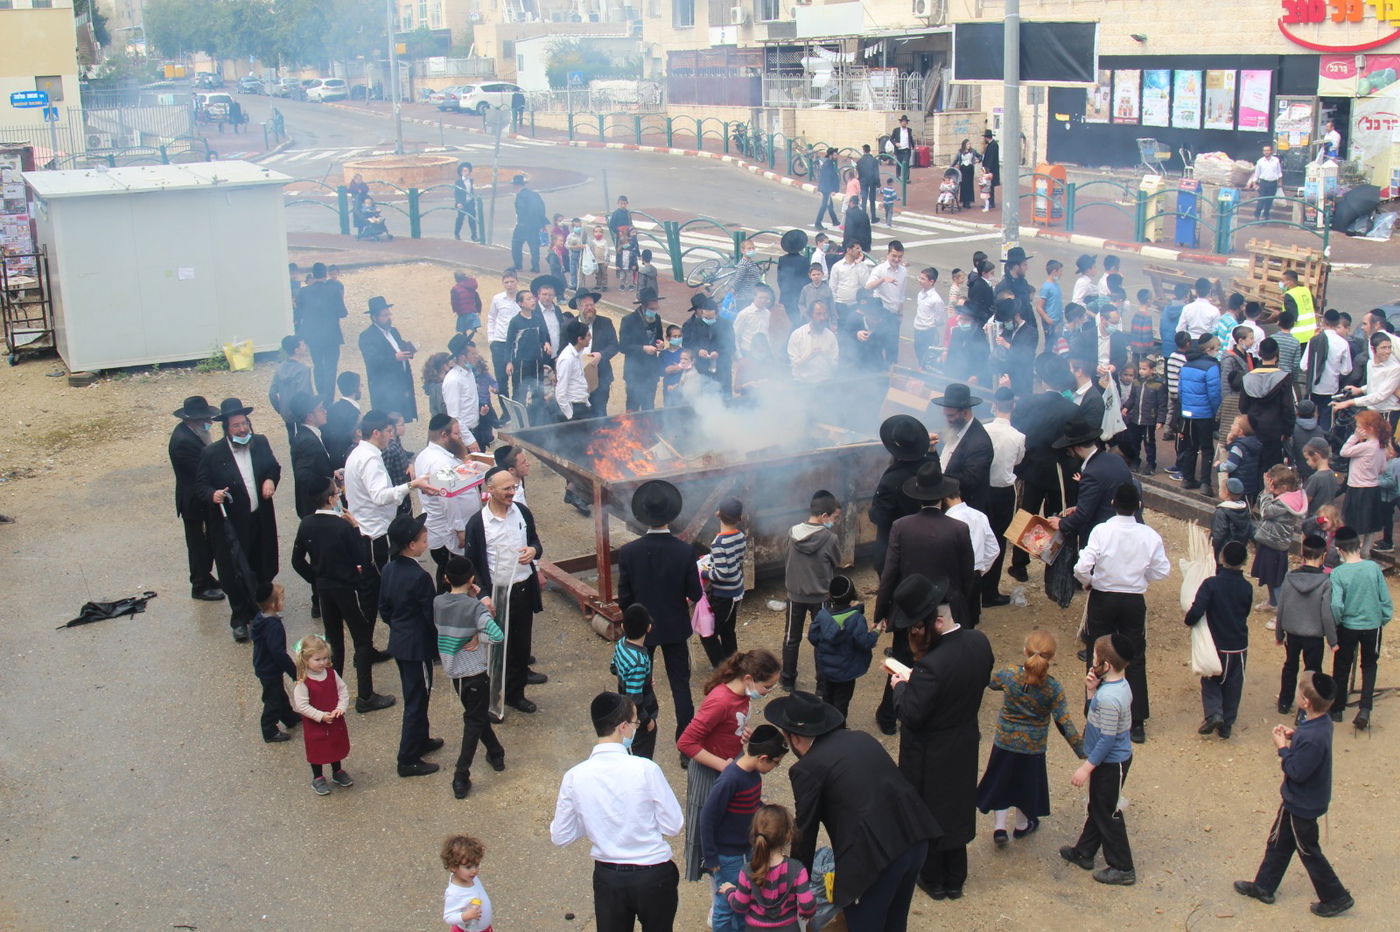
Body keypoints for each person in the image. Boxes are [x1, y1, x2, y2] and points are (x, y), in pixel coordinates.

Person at [765, 690, 938, 932]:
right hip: (914, 838)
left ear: (794, 737)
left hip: (874, 862)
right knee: (895, 922)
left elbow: (805, 832)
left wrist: (797, 883)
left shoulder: (807, 769)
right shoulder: (860, 737)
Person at [887, 574, 995, 900]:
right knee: (957, 808)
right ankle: (956, 878)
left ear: (934, 622)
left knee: (929, 813)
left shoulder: (931, 666)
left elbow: (911, 713)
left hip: (929, 752)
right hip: (964, 740)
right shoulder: (979, 643)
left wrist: (901, 686)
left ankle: (933, 878)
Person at [550, 692, 684, 932]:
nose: (636, 728)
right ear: (623, 727)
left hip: (609, 878)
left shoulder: (574, 777)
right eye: (635, 722)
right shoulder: (646, 769)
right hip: (653, 874)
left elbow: (561, 835)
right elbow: (673, 825)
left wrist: (591, 819)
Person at [1233, 671, 1354, 918]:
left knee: (1309, 851)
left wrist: (1282, 749)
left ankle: (1336, 896)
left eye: (1300, 694)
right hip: (1296, 801)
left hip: (1303, 805)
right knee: (1278, 841)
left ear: (1306, 702)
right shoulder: (1320, 724)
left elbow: (1296, 771)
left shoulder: (1311, 736)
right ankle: (1264, 886)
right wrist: (1294, 735)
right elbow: (1308, 742)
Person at [1072, 482, 1167, 744]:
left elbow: (1082, 567)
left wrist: (1088, 580)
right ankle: (1136, 721)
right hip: (1133, 599)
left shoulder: (1102, 531)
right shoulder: (1149, 535)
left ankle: (1094, 712)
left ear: (1113, 503)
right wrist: (1141, 575)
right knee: (1134, 656)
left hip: (1103, 597)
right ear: (1138, 506)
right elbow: (1162, 571)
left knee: (1097, 653)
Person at [679, 649, 781, 891]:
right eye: (767, 687)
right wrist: (722, 765)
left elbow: (731, 725)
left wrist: (744, 734)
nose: (767, 692)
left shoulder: (741, 696)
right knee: (713, 827)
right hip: (711, 772)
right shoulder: (720, 701)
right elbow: (686, 742)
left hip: (727, 766)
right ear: (748, 679)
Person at [291, 477, 393, 714]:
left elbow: (297, 561)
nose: (339, 496)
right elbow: (362, 558)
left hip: (325, 589)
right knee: (362, 639)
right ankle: (366, 695)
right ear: (330, 498)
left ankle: (331, 691)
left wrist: (315, 580)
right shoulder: (342, 526)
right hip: (348, 589)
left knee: (334, 639)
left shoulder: (306, 524)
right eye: (337, 493)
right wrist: (356, 527)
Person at [976, 629, 1085, 845]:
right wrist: (1081, 749)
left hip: (1005, 742)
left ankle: (999, 827)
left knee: (1001, 781)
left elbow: (989, 682)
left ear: (1025, 650)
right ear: (1052, 657)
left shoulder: (1009, 674)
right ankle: (1021, 825)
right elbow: (1063, 721)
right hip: (1033, 747)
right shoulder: (1053, 688)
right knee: (1026, 786)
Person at [617, 480, 703, 739]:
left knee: (638, 682)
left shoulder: (629, 552)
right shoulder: (684, 551)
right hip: (675, 626)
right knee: (680, 684)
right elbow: (696, 593)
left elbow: (625, 597)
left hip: (641, 629)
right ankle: (685, 741)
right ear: (672, 514)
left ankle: (639, 730)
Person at [195, 398, 281, 642]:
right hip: (232, 525)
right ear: (226, 429)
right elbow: (201, 485)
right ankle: (240, 618)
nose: (242, 429)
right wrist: (213, 495)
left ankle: (262, 610)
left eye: (244, 424)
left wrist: (270, 480)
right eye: (236, 426)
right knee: (235, 571)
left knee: (262, 564)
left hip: (260, 518)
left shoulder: (260, 442)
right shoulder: (212, 453)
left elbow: (273, 467)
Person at [463, 467, 545, 715]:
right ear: (490, 490)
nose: (512, 492)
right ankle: (493, 700)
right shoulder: (478, 524)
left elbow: (535, 542)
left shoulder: (522, 513)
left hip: (522, 589)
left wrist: (533, 551)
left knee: (521, 647)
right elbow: (472, 564)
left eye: (514, 487)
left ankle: (515, 694)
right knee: (497, 649)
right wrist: (483, 595)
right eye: (507, 488)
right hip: (497, 595)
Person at [344, 409, 435, 630]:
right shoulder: (369, 459)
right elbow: (380, 496)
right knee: (377, 591)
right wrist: (412, 485)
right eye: (387, 431)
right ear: (376, 433)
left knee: (373, 591)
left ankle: (366, 644)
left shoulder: (359, 453)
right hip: (375, 535)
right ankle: (372, 644)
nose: (391, 436)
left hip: (369, 529)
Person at [1060, 633, 1137, 886]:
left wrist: (1086, 767)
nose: (1092, 661)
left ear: (1107, 665)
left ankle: (1122, 866)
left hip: (1110, 763)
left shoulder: (1110, 698)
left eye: (1095, 657)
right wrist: (1091, 691)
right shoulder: (1113, 688)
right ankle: (1084, 851)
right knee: (1099, 807)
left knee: (1107, 812)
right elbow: (1095, 716)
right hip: (1106, 761)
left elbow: (1107, 739)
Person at [701, 729, 790, 932]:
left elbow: (751, 804)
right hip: (728, 857)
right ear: (763, 758)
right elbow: (707, 817)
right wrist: (711, 858)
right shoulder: (730, 780)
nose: (776, 767)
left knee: (744, 901)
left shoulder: (753, 775)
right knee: (725, 906)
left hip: (746, 850)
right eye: (776, 763)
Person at [434, 555, 506, 799]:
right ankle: (461, 774)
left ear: (445, 578)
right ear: (472, 579)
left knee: (475, 716)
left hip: (454, 673)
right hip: (475, 672)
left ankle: (496, 752)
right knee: (474, 721)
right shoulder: (476, 608)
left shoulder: (438, 603)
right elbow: (497, 636)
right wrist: (478, 636)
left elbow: (453, 620)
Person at [380, 513, 445, 778]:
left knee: (417, 694)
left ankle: (421, 739)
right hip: (417, 647)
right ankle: (407, 758)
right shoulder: (420, 577)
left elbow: (384, 609)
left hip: (400, 641)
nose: (426, 538)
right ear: (411, 545)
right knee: (417, 699)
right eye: (422, 537)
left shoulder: (388, 569)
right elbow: (431, 617)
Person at [1008, 354, 1079, 582]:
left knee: (1025, 513)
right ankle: (1055, 561)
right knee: (1056, 516)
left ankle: (1019, 563)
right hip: (1058, 470)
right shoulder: (1071, 410)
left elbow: (1018, 431)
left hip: (1031, 467)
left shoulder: (1028, 403)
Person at [1185, 540, 1254, 739]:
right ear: (1245, 561)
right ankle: (1227, 725)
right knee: (1234, 684)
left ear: (1221, 559)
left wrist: (1189, 621)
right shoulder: (1246, 588)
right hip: (1238, 645)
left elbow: (1197, 610)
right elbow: (1246, 611)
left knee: (1210, 679)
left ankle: (1214, 713)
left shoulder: (1211, 584)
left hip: (1214, 643)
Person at [1329, 526, 1392, 729]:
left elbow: (1336, 604)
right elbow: (1385, 598)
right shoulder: (1373, 568)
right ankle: (1365, 708)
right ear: (1358, 546)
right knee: (1370, 665)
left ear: (1339, 550)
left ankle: (1337, 709)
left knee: (1342, 665)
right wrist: (1382, 618)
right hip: (1372, 626)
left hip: (1348, 626)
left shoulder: (1338, 573)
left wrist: (1337, 621)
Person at [717, 804, 817, 930]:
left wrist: (730, 891)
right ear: (788, 835)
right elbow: (807, 904)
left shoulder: (748, 870)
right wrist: (808, 913)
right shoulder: (797, 870)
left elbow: (740, 906)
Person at [783, 489, 842, 691]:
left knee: (792, 639)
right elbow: (837, 562)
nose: (835, 521)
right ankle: (822, 685)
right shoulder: (830, 538)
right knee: (822, 640)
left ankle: (788, 679)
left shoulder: (792, 533)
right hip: (821, 597)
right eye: (835, 517)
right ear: (824, 515)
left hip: (794, 595)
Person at [413, 414, 479, 588]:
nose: (461, 439)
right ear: (444, 435)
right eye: (457, 434)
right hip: (448, 534)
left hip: (446, 528)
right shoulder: (439, 462)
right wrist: (459, 530)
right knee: (452, 578)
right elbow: (448, 499)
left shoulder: (428, 455)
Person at [169, 395, 224, 603]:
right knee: (199, 545)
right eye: (205, 419)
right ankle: (199, 585)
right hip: (194, 503)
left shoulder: (194, 433)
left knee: (206, 543)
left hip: (199, 499)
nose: (209, 423)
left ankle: (205, 577)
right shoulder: (183, 443)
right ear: (193, 420)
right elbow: (201, 472)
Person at [1275, 535, 1337, 714]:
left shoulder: (1289, 577)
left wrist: (1279, 634)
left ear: (1302, 554)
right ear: (1323, 556)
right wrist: (1333, 641)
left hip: (1292, 633)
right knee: (1313, 670)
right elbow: (1326, 614)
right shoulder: (1325, 582)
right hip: (1314, 636)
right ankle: (1308, 705)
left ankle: (1284, 702)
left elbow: (1282, 607)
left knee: (1290, 666)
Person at [1052, 416, 1135, 546]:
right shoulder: (1115, 459)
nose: (1069, 453)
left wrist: (1062, 523)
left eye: (1069, 449)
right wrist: (1080, 506)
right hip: (1126, 526)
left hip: (1105, 533)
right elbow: (1107, 494)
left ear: (1077, 448)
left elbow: (1084, 515)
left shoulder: (1091, 473)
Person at [806, 575, 878, 720]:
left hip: (826, 670)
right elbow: (864, 642)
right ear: (852, 595)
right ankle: (838, 733)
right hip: (846, 673)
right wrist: (876, 632)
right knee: (841, 704)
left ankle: (825, 729)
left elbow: (813, 637)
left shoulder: (822, 616)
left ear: (830, 596)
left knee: (827, 699)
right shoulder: (856, 618)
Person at [290, 634, 352, 796]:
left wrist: (341, 707)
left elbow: (342, 690)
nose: (323, 662)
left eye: (325, 658)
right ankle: (317, 777)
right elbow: (301, 705)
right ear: (306, 660)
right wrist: (320, 715)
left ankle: (337, 771)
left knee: (335, 744)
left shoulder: (331, 673)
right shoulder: (303, 682)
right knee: (317, 749)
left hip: (334, 719)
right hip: (316, 724)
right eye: (318, 660)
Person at [249, 582, 299, 743]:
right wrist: (294, 672)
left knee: (279, 694)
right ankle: (269, 729)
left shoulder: (261, 619)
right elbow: (278, 653)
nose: (284, 601)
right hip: (269, 668)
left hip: (264, 666)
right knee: (273, 699)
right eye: (282, 598)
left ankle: (289, 717)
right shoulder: (272, 626)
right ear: (272, 604)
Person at [1253, 464, 1308, 610]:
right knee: (1270, 577)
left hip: (1275, 545)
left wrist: (1266, 491)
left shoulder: (1285, 502)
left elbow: (1265, 511)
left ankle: (1282, 612)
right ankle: (1272, 602)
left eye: (1274, 485)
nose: (1271, 488)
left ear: (1284, 487)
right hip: (1270, 541)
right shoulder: (1283, 496)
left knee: (1276, 580)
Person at [933, 382, 994, 514]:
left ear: (965, 413)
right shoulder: (955, 429)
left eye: (951, 416)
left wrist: (936, 476)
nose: (947, 419)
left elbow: (970, 480)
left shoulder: (979, 443)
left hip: (965, 512)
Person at [701, 498, 747, 666]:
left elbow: (721, 574)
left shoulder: (718, 543)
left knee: (709, 634)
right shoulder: (741, 536)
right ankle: (735, 664)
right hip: (736, 591)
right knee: (728, 630)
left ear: (717, 514)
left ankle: (722, 669)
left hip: (723, 595)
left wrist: (704, 571)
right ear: (739, 518)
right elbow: (738, 560)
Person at [612, 604, 661, 762]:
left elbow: (614, 667)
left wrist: (643, 679)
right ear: (648, 628)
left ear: (622, 626)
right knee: (642, 755)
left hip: (623, 702)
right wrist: (647, 721)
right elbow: (635, 699)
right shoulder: (638, 661)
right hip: (638, 716)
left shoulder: (621, 644)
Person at [357, 296, 418, 423]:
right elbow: (372, 360)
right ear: (374, 318)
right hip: (385, 388)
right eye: (384, 315)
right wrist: (394, 357)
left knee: (400, 422)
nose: (388, 318)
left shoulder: (393, 331)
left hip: (401, 384)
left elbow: (399, 346)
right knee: (388, 423)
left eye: (388, 314)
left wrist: (408, 349)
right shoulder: (367, 336)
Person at [1240, 337, 1296, 474]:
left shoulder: (1247, 378)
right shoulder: (1284, 377)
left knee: (1254, 466)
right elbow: (1288, 407)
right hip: (1275, 430)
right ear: (1277, 355)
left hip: (1253, 428)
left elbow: (1243, 406)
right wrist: (1287, 431)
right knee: (1272, 469)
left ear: (1259, 354)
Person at [1174, 335, 1222, 491]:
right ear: (1209, 349)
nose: (1218, 351)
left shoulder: (1187, 365)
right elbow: (1214, 394)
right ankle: (1205, 483)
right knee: (1207, 448)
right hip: (1205, 414)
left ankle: (1187, 479)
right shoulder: (1212, 367)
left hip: (1188, 413)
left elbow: (1180, 391)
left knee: (1190, 446)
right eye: (1217, 348)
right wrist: (1216, 413)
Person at [295, 262, 349, 403]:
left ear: (312, 274)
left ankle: (320, 394)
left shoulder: (304, 292)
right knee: (331, 368)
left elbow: (299, 312)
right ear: (325, 274)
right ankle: (328, 399)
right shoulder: (333, 290)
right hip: (331, 335)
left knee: (318, 365)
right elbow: (343, 312)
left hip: (313, 336)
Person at [1339, 410, 1390, 555]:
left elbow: (1344, 451)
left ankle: (1352, 553)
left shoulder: (1366, 446)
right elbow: (1383, 468)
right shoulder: (1381, 446)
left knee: (1353, 523)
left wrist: (1354, 437)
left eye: (1359, 427)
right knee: (1370, 524)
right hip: (1373, 488)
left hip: (1358, 488)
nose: (1357, 429)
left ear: (1369, 429)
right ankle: (1366, 551)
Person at [1305, 308, 1352, 431]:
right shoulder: (1343, 343)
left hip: (1313, 387)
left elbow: (1304, 365)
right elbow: (1347, 369)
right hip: (1331, 388)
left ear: (1324, 321)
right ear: (1337, 323)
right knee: (1326, 419)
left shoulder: (1314, 340)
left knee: (1311, 417)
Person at [619, 288, 665, 411]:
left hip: (651, 371)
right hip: (635, 371)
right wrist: (643, 348)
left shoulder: (657, 319)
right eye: (652, 309)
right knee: (633, 406)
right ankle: (631, 430)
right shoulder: (628, 320)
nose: (654, 311)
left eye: (656, 308)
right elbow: (623, 346)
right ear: (643, 306)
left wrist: (660, 344)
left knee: (649, 405)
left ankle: (647, 429)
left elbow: (659, 337)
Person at [681, 296, 736, 396]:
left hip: (722, 368)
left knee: (724, 395)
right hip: (703, 368)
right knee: (703, 395)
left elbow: (731, 347)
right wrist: (698, 351)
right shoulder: (696, 323)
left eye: (710, 318)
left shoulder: (726, 325)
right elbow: (691, 343)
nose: (707, 319)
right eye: (705, 317)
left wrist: (718, 353)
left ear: (716, 313)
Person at [1122, 357, 1166, 475]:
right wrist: (1126, 407)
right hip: (1135, 418)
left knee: (1149, 442)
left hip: (1149, 419)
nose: (1141, 371)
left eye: (1144, 369)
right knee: (1134, 441)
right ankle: (1135, 460)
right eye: (1140, 369)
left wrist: (1160, 420)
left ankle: (1151, 464)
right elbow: (1132, 398)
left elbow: (1162, 404)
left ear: (1152, 369)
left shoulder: (1158, 385)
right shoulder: (1136, 382)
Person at [440, 834, 492, 932]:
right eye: (468, 867)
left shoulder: (469, 877)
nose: (474, 871)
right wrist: (465, 916)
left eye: (476, 865)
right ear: (453, 867)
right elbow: (448, 917)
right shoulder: (454, 893)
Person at [268, 336, 314, 443]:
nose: (305, 346)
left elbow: (272, 394)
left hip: (287, 414)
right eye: (302, 344)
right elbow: (303, 393)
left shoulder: (280, 368)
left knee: (293, 442)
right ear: (296, 350)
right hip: (301, 415)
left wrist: (281, 409)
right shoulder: (302, 370)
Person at [786, 301, 839, 384]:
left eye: (824, 314)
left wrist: (825, 355)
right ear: (810, 315)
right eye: (818, 314)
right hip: (802, 382)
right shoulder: (797, 335)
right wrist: (809, 356)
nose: (822, 318)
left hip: (825, 382)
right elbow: (794, 364)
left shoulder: (830, 336)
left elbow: (835, 366)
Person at [509, 174, 547, 273]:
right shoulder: (535, 194)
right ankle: (535, 266)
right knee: (534, 246)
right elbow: (541, 208)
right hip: (535, 225)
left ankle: (518, 265)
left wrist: (522, 222)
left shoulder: (520, 196)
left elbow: (521, 211)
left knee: (516, 244)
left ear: (516, 185)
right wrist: (542, 224)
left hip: (523, 225)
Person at [1212, 477, 1256, 558]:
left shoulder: (1222, 512)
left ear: (1226, 493)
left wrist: (1213, 549)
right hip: (1238, 550)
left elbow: (1219, 534)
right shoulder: (1244, 509)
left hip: (1223, 552)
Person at [1247, 143, 1284, 220]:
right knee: (1261, 200)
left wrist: (1280, 182)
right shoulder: (1260, 161)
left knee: (1269, 201)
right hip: (1263, 183)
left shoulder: (1276, 161)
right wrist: (1254, 183)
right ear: (1263, 152)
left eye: (1268, 150)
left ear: (1271, 151)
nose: (1266, 152)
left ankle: (1266, 215)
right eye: (1265, 151)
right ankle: (1256, 215)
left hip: (1273, 183)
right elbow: (1257, 173)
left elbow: (1279, 172)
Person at [813, 147, 841, 230]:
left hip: (826, 188)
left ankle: (835, 220)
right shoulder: (828, 164)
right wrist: (831, 190)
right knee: (824, 206)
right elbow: (827, 178)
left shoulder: (830, 163)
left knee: (829, 205)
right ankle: (818, 223)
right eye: (835, 155)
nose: (837, 157)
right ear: (830, 155)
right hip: (827, 189)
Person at [452, 162, 479, 242]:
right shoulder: (458, 182)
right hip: (462, 204)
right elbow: (456, 193)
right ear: (461, 172)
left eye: (466, 171)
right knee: (460, 219)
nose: (465, 172)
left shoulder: (471, 181)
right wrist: (458, 203)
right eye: (463, 171)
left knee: (472, 219)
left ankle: (474, 236)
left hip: (470, 203)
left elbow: (472, 191)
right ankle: (456, 233)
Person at [980, 129, 1000, 209]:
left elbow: (991, 159)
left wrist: (987, 170)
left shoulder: (993, 145)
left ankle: (991, 202)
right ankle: (988, 202)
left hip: (990, 169)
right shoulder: (991, 144)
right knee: (988, 186)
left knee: (989, 186)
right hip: (989, 168)